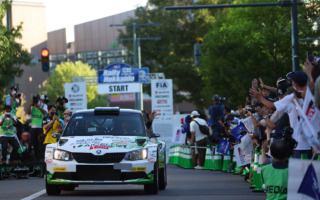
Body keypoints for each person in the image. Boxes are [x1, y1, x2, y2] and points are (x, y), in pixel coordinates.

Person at [250, 71, 312, 159]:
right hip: (312, 143)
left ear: (294, 83)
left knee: (299, 171)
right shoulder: (312, 96)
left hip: (299, 144)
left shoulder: (291, 98)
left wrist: (259, 96)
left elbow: (272, 106)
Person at [27, 94, 48, 161]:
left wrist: (39, 107)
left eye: (37, 99)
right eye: (35, 99)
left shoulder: (44, 105)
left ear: (39, 99)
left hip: (40, 127)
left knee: (41, 143)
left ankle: (41, 158)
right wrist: (30, 105)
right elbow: (28, 113)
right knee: (34, 143)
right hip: (33, 127)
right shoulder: (32, 106)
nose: (36, 101)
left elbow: (45, 113)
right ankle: (36, 158)